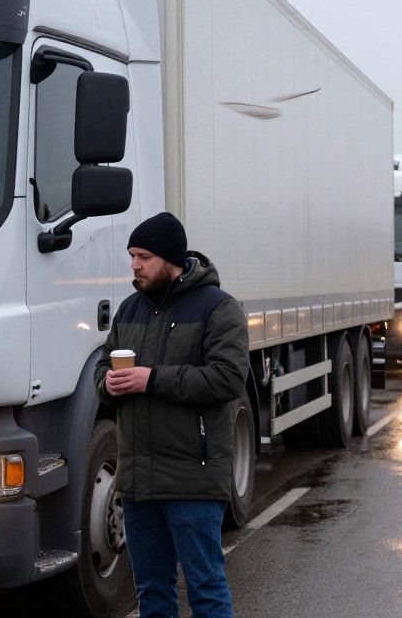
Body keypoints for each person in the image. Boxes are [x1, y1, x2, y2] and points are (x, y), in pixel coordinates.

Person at [94, 212, 249, 618]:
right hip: (139, 480)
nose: (134, 265)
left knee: (205, 587)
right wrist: (106, 385)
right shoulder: (130, 309)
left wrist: (152, 380)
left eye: (143, 256)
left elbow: (228, 379)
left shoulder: (219, 307)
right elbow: (101, 367)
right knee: (151, 592)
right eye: (131, 255)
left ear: (169, 258)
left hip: (193, 478)